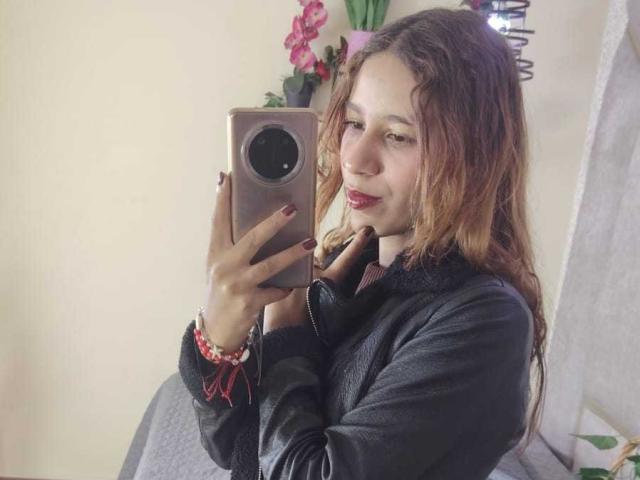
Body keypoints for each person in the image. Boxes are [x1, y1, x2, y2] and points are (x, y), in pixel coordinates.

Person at [178, 7, 547, 480]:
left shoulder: (486, 321)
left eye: (397, 136)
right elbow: (237, 448)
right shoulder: (347, 268)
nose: (354, 159)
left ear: (473, 157)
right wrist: (220, 335)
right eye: (354, 123)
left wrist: (285, 333)